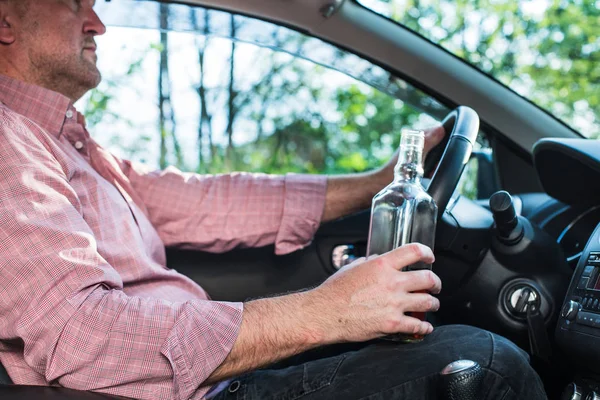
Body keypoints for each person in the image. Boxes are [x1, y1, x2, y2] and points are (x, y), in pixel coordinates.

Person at [0, 0, 547, 399]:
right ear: (4, 21)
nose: (98, 21)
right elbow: (77, 331)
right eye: (74, 4)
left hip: (211, 380)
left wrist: (378, 180)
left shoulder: (72, 146)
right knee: (487, 363)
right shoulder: (7, 140)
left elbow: (205, 202)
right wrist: (322, 313)